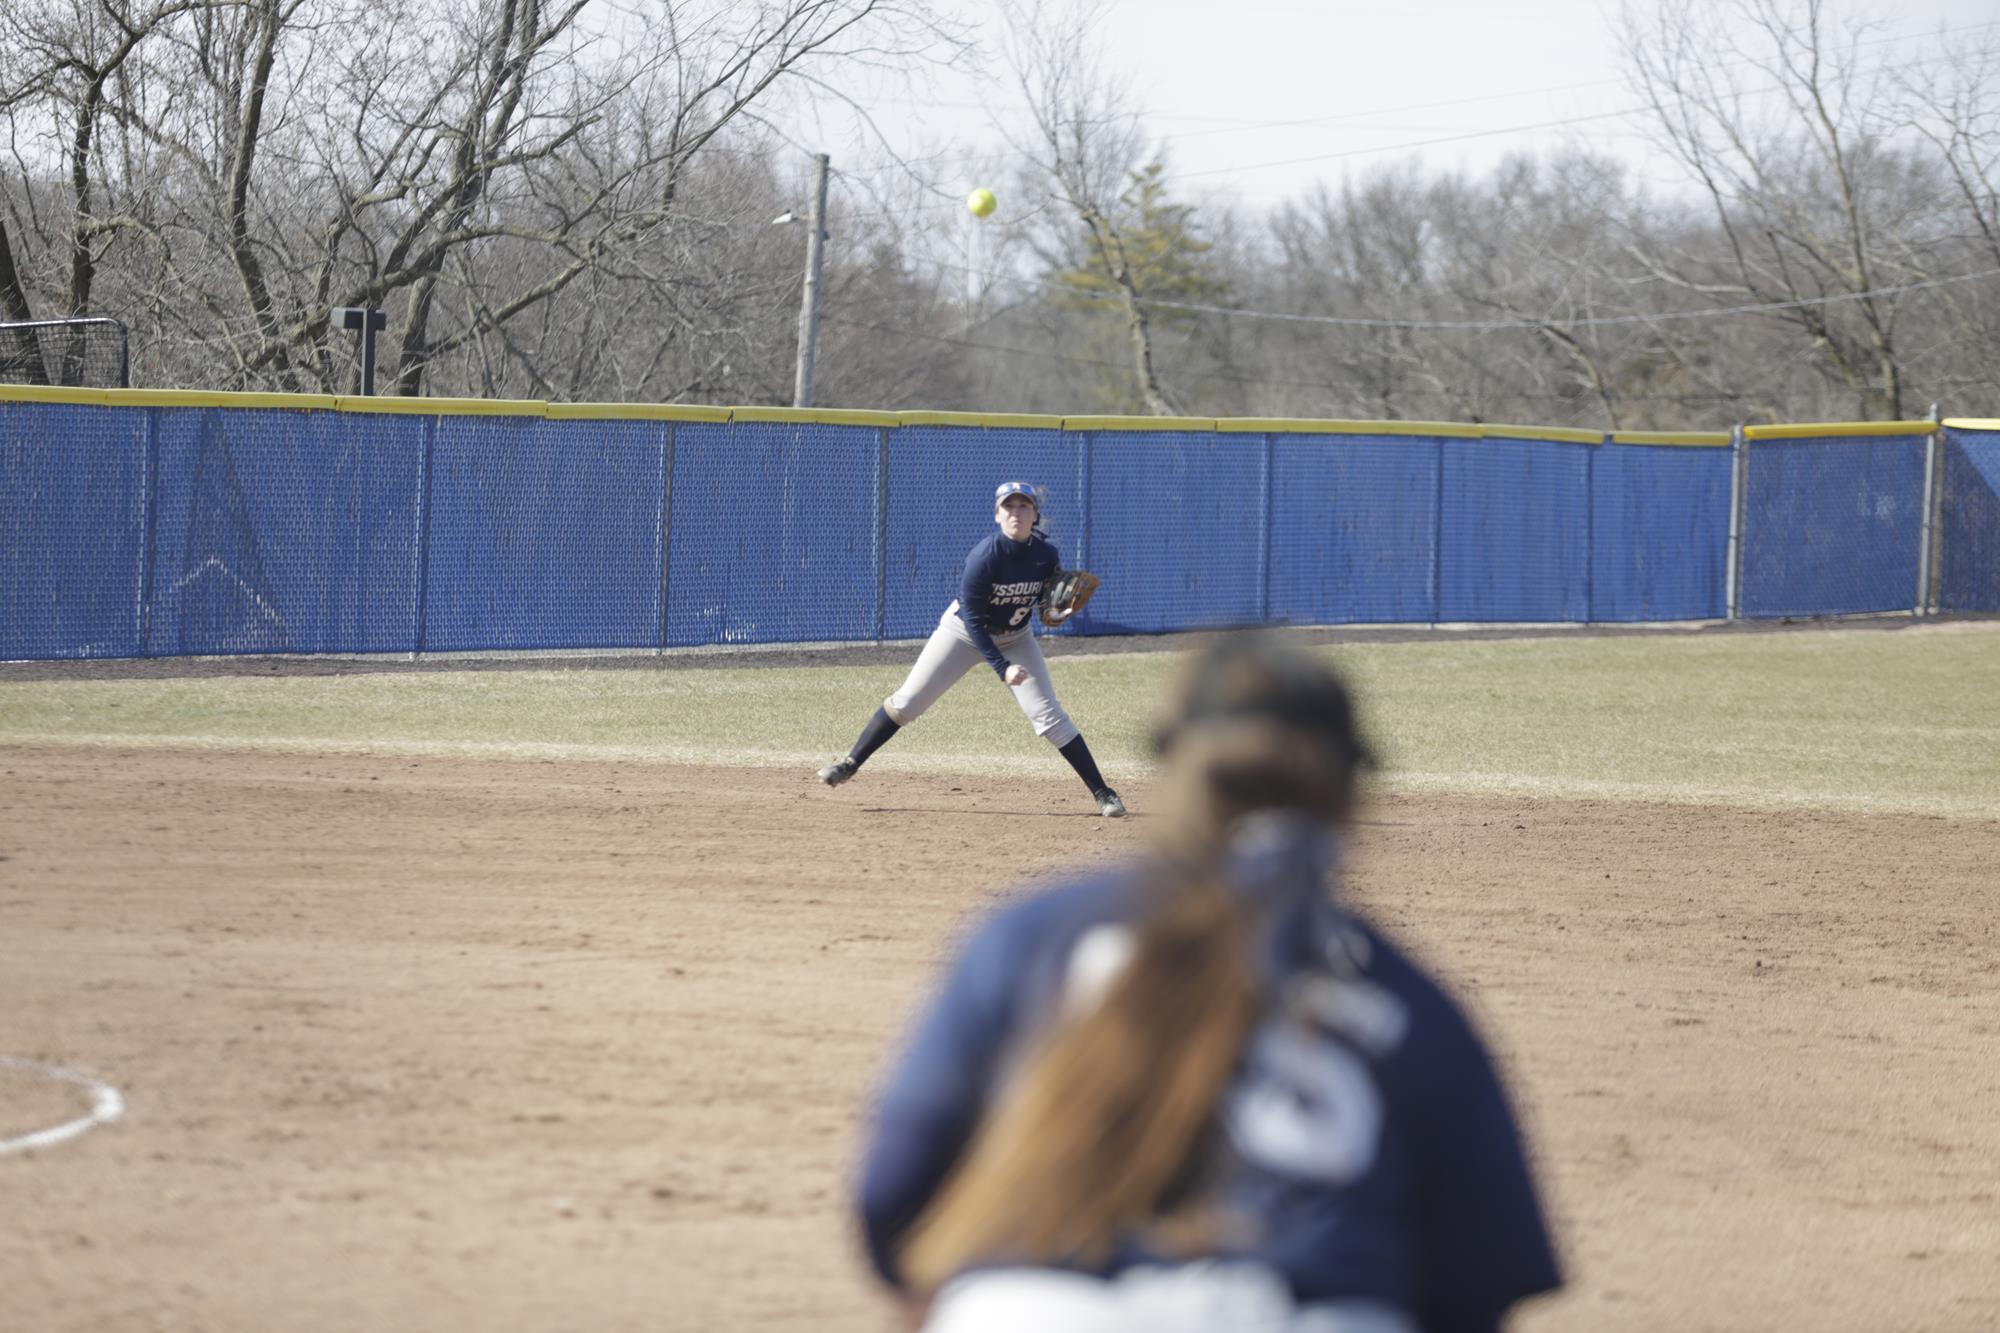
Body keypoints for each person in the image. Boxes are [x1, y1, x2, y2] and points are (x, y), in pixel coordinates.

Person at [855, 634, 1562, 1333]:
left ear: (1174, 765)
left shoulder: (1033, 937)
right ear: (1351, 789)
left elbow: (890, 1197)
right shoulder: (1411, 1004)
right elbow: (1479, 1289)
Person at [817, 480, 1125, 818]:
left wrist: (1054, 611)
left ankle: (1104, 793)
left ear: (1035, 515)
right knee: (907, 703)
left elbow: (1040, 602)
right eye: (1008, 506)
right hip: (962, 633)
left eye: (1024, 506)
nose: (1016, 513)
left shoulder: (1046, 555)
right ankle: (850, 763)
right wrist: (1003, 669)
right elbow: (975, 623)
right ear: (997, 515)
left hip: (1016, 637)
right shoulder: (984, 557)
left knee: (1049, 715)